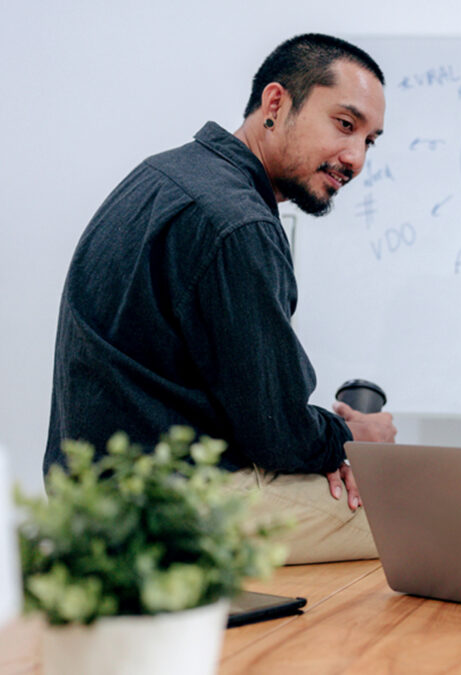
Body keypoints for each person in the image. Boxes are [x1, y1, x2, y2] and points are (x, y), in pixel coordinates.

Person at [45, 34, 397, 564]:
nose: (355, 159)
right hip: (161, 511)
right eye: (345, 125)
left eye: (370, 141)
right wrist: (351, 436)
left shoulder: (163, 175)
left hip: (86, 499)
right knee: (416, 513)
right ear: (275, 103)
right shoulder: (238, 222)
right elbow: (279, 436)